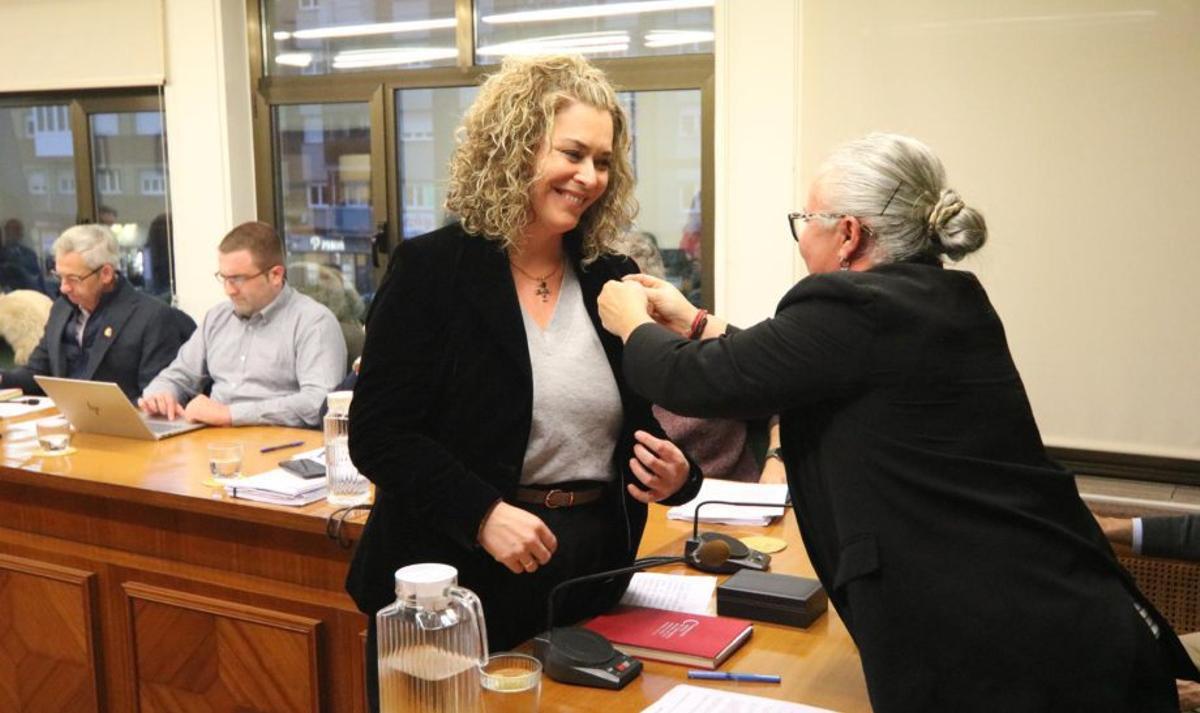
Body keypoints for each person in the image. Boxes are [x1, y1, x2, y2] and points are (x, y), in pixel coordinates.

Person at [597, 133, 1199, 711]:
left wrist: (631, 322)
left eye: (805, 221)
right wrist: (696, 322)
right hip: (1050, 609)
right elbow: (801, 364)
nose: (801, 238)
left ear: (849, 234)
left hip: (1002, 649)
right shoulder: (937, 298)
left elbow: (694, 381)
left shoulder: (852, 308)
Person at [344, 55, 701, 710]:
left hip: (588, 575)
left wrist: (677, 473)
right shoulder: (432, 270)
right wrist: (481, 513)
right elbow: (378, 434)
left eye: (603, 161)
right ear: (514, 148)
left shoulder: (610, 274)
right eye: (573, 153)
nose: (590, 176)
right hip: (451, 586)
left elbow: (635, 422)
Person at [139, 221, 345, 428]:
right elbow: (178, 375)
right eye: (224, 278)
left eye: (238, 279)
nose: (229, 290)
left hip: (278, 439)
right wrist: (160, 394)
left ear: (275, 275)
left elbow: (319, 402)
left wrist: (230, 415)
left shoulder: (314, 322)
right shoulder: (218, 318)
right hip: (213, 438)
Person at [0, 224, 193, 401]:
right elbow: (38, 373)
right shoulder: (61, 309)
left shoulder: (152, 317)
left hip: (123, 423)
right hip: (65, 420)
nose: (64, 288)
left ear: (106, 274)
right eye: (60, 277)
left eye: (73, 279)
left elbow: (155, 397)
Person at [0, 218, 47, 294]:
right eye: (11, 229)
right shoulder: (2, 254)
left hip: (31, 293)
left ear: (21, 233)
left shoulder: (30, 254)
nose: (14, 233)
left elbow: (38, 278)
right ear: (6, 232)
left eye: (17, 229)